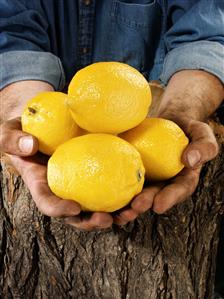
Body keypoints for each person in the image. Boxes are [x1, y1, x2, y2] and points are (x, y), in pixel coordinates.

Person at [0, 0, 223, 232]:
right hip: (69, 142)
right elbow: (10, 35)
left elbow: (207, 36)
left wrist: (181, 111)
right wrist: (29, 117)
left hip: (148, 126)